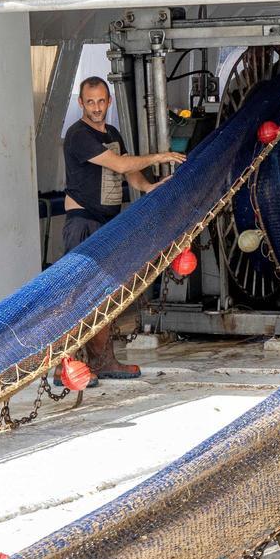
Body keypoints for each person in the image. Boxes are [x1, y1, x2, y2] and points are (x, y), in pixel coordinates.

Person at [59, 76, 185, 383]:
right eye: (90, 102)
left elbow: (131, 173)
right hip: (83, 224)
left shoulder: (112, 133)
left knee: (104, 297)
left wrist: (150, 187)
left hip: (106, 225)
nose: (97, 107)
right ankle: (65, 366)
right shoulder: (77, 135)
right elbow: (118, 165)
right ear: (80, 103)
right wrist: (160, 156)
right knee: (80, 299)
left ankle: (103, 362)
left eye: (102, 101)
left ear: (109, 101)